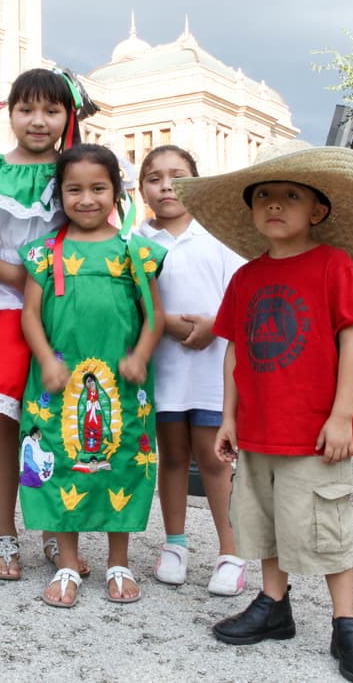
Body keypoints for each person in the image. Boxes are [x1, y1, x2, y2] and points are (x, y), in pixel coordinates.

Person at [175, 140, 353, 683]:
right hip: (257, 429)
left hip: (314, 431)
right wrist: (228, 417)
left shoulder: (334, 265)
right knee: (264, 521)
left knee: (327, 529)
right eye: (264, 197)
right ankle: (273, 605)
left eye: (290, 196)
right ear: (253, 212)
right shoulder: (247, 277)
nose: (275, 205)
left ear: (316, 211)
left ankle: (346, 623)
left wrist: (340, 415)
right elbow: (234, 349)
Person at [0, 67, 91, 581]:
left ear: (66, 116)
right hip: (1, 304)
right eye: (26, 109)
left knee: (57, 417)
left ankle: (56, 529)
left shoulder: (76, 168)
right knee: (8, 419)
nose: (39, 120)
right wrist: (21, 275)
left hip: (64, 305)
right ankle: (4, 531)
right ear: (8, 113)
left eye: (52, 110)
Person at [18, 143, 165, 608]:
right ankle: (67, 563)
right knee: (60, 463)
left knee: (122, 461)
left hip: (124, 385)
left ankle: (119, 562)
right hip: (58, 381)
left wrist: (141, 354)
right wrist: (46, 359)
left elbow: (156, 315)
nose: (86, 199)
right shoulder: (43, 254)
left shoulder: (137, 252)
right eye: (74, 189)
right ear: (59, 194)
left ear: (116, 191)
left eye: (98, 188)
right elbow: (29, 315)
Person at [136, 145, 247, 595]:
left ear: (196, 182)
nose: (166, 185)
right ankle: (175, 544)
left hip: (213, 373)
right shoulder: (137, 243)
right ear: (141, 188)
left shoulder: (219, 237)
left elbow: (241, 301)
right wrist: (163, 323)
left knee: (216, 462)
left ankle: (231, 551)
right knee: (173, 458)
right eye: (155, 177)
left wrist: (213, 325)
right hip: (164, 373)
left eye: (177, 175)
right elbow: (133, 307)